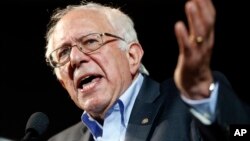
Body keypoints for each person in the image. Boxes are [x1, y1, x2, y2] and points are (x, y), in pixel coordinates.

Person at [44, 0, 250, 140]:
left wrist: (203, 97)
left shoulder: (188, 107)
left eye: (90, 41)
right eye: (62, 53)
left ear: (132, 56)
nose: (75, 58)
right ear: (63, 82)